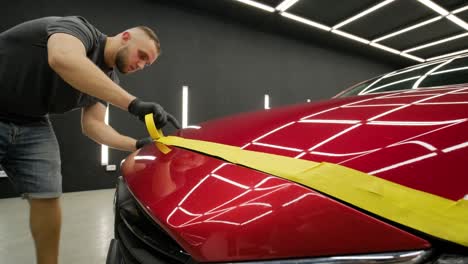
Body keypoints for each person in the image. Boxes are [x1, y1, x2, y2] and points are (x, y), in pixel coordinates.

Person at [0, 16, 179, 264]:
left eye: (147, 64)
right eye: (141, 55)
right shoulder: (79, 29)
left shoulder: (106, 81)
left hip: (32, 122)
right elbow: (62, 58)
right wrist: (134, 104)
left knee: (47, 196)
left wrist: (138, 144)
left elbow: (93, 126)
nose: (141, 65)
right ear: (125, 36)